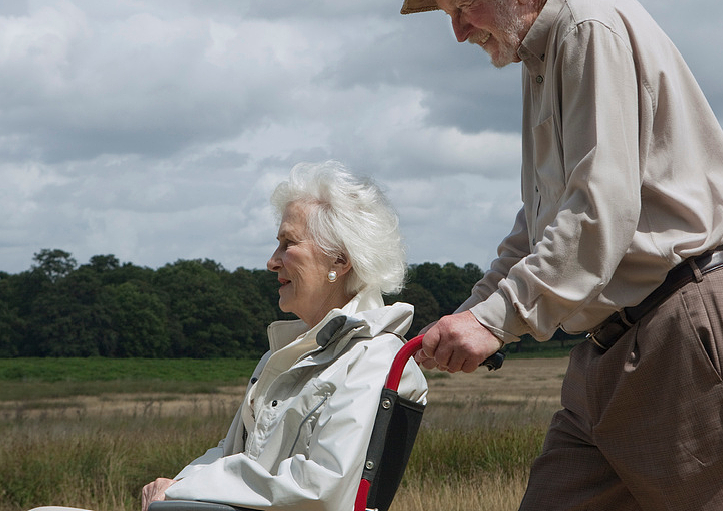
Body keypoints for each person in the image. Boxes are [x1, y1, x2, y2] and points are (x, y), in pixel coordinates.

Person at [400, 0, 723, 509]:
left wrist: (494, 323)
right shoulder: (544, 53)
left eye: (462, 6)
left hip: (683, 325)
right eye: (448, 13)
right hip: (614, 345)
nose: (457, 31)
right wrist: (472, 313)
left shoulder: (590, 26)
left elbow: (600, 210)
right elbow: (540, 223)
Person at [29, 161, 427, 511]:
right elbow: (231, 453)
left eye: (288, 243)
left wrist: (187, 490)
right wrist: (175, 486)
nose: (272, 261)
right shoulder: (289, 351)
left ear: (339, 259)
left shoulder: (376, 359)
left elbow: (320, 489)